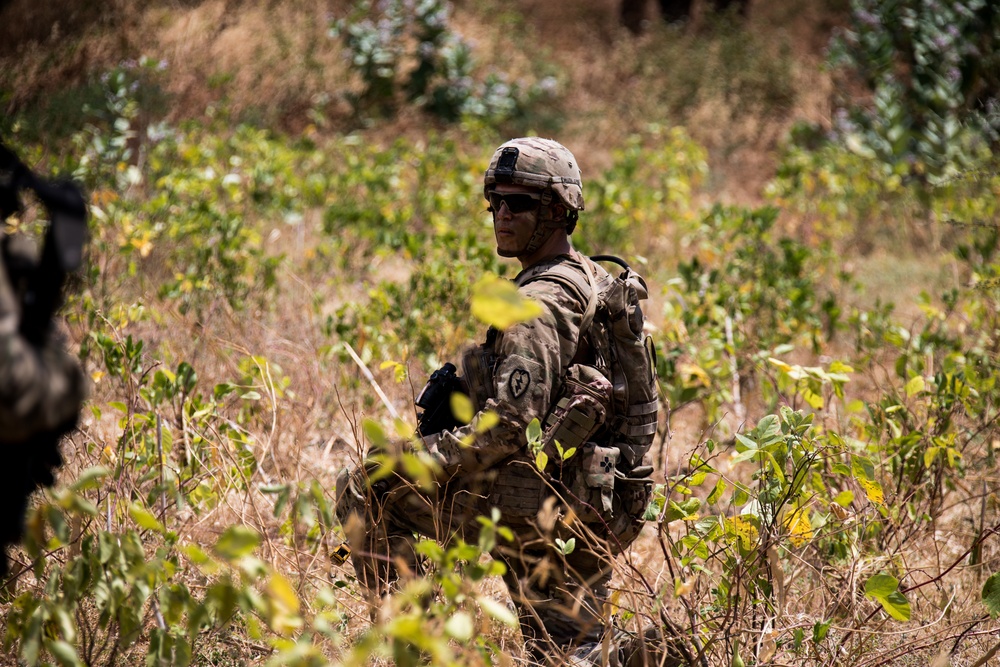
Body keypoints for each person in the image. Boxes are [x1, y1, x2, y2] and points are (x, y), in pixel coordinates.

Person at [335, 138, 672, 665]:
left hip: (539, 506)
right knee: (565, 655)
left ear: (559, 210)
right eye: (496, 203)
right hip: (597, 503)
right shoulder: (594, 281)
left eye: (520, 203)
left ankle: (415, 652)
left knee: (369, 484)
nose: (502, 215)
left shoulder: (533, 306)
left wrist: (426, 455)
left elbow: (509, 429)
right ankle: (641, 657)